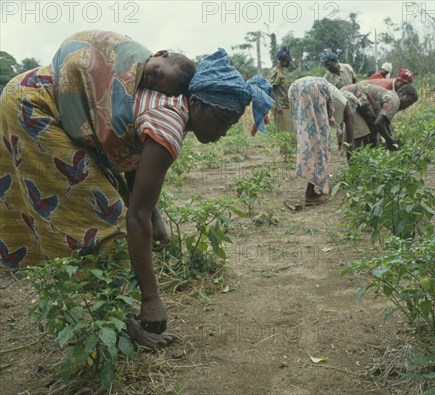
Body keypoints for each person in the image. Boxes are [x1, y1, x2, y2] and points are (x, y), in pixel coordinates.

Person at [0, 28, 273, 349]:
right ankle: (120, 327)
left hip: (30, 89)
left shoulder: (171, 105)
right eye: (222, 119)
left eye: (231, 123)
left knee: (106, 202)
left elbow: (130, 156)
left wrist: (155, 218)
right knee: (103, 218)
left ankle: (108, 314)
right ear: (196, 103)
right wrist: (152, 298)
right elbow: (136, 216)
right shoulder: (170, 124)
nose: (224, 131)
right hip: (34, 105)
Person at [288, 77, 355, 205]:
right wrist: (351, 158)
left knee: (306, 138)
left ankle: (312, 183)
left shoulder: (336, 95)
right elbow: (349, 131)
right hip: (312, 90)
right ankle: (310, 193)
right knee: (319, 143)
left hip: (294, 87)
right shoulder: (345, 105)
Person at [342, 82, 418, 151]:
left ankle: (359, 161)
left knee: (368, 133)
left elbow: (384, 123)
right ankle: (353, 163)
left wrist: (391, 137)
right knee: (359, 133)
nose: (407, 106)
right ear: (401, 93)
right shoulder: (395, 100)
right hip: (348, 96)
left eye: (410, 105)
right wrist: (390, 141)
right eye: (408, 101)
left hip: (348, 95)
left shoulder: (391, 96)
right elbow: (378, 123)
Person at [267, 46, 294, 133]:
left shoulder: (285, 71)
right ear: (284, 61)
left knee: (290, 132)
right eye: (289, 61)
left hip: (288, 106)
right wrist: (277, 106)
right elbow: (271, 90)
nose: (290, 63)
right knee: (283, 133)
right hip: (280, 108)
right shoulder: (275, 72)